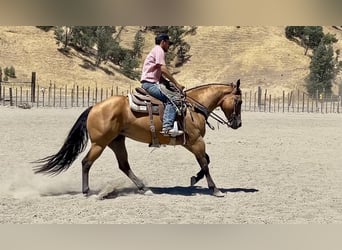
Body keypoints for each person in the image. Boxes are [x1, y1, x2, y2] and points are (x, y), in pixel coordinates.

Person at [140, 34, 185, 136]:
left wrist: (168, 83)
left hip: (150, 82)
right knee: (173, 98)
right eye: (168, 43)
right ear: (163, 42)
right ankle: (167, 127)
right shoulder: (159, 50)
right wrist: (176, 84)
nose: (169, 46)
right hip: (150, 84)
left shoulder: (155, 51)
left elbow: (159, 75)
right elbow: (163, 69)